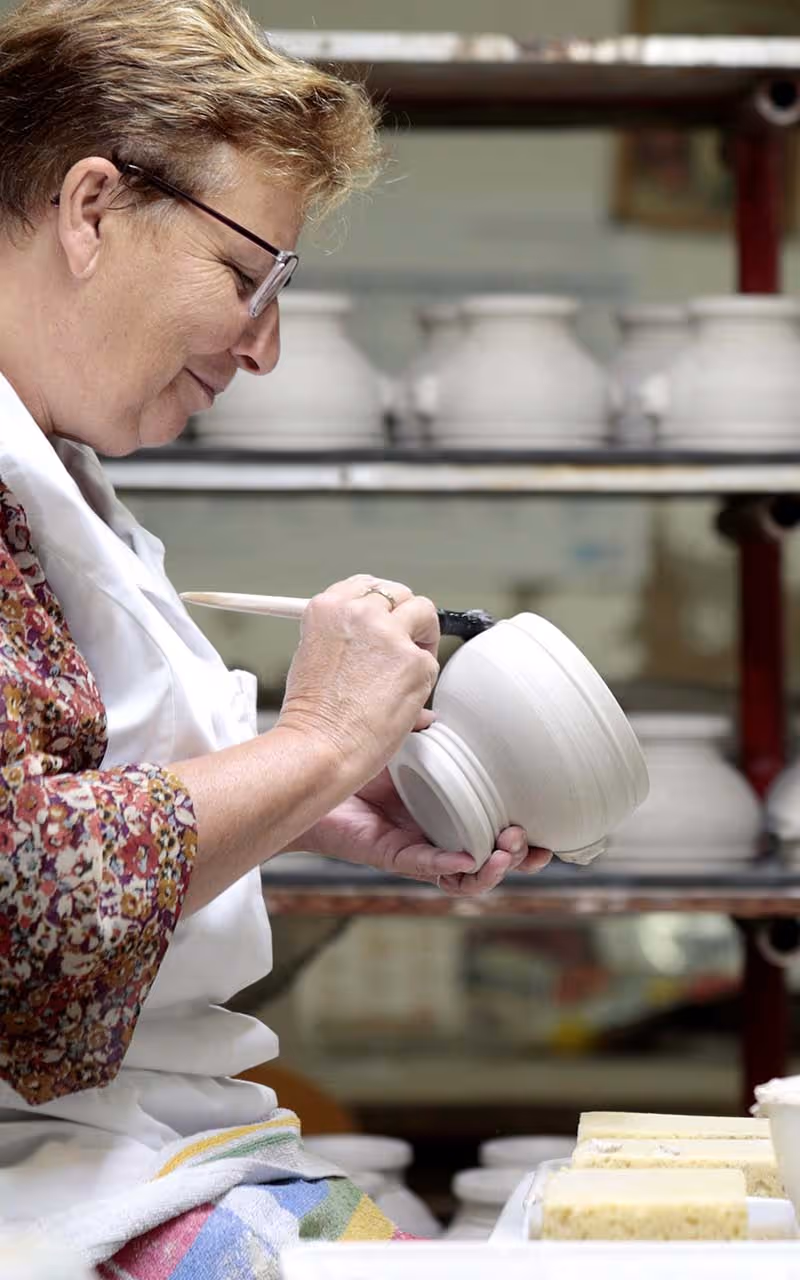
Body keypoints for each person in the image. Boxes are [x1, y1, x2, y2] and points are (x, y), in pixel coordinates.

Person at [0, 0, 552, 1273]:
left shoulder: (57, 471)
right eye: (246, 277)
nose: (264, 347)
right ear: (91, 208)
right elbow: (24, 899)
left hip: (124, 1139)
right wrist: (314, 740)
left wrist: (313, 795)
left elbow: (71, 764)